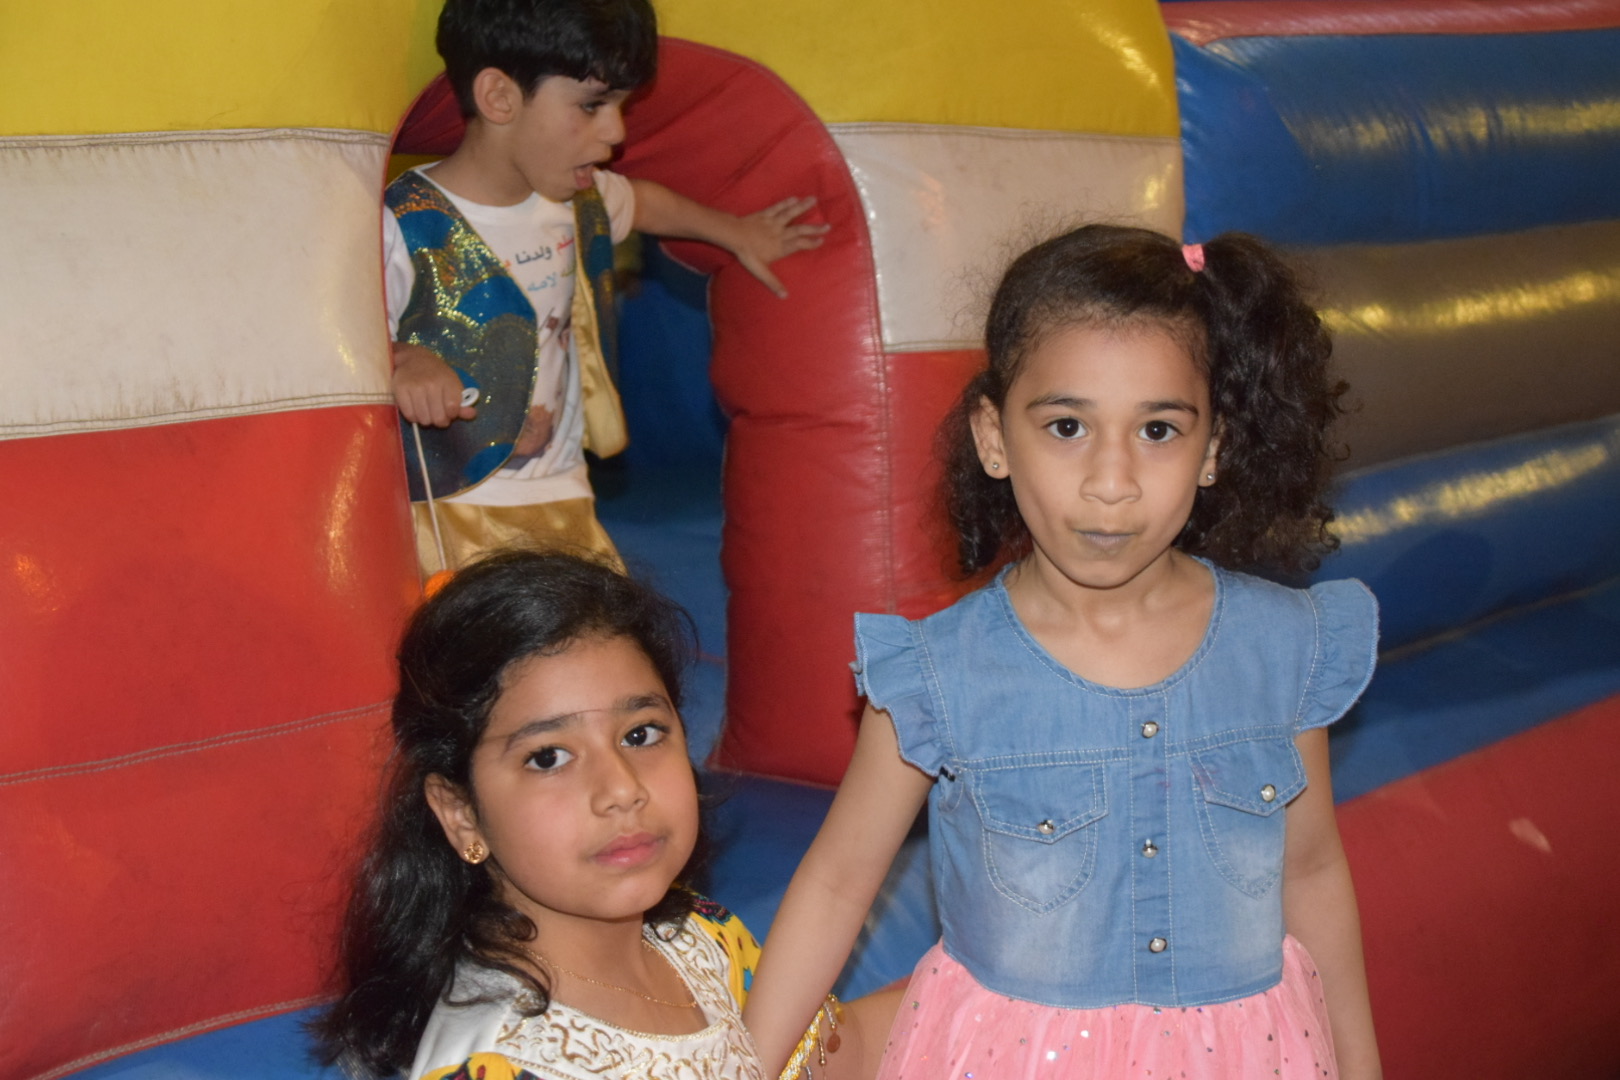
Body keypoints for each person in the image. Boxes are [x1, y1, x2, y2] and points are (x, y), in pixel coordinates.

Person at [743, 226, 1383, 1079]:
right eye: (1068, 426)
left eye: (1158, 430)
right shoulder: (940, 675)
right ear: (994, 436)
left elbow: (1311, 869)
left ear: (1213, 449)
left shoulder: (1285, 646)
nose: (1111, 482)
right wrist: (740, 1067)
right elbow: (837, 882)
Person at [312, 551, 893, 1080]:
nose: (621, 789)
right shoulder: (500, 1065)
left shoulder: (701, 938)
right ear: (461, 813)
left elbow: (834, 1060)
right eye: (549, 757)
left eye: (641, 734)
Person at [387, 0, 827, 577]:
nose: (616, 132)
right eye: (592, 105)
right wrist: (404, 358)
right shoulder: (404, 224)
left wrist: (736, 233)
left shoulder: (578, 201)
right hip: (449, 506)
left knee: (601, 623)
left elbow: (644, 202)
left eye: (620, 106)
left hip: (564, 489)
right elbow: (342, 346)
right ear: (499, 97)